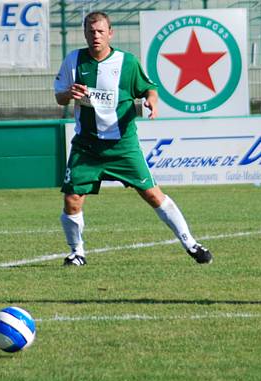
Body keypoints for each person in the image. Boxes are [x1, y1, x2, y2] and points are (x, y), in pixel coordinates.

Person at [53, 11, 212, 266]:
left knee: (152, 195)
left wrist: (151, 100)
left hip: (122, 145)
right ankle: (77, 252)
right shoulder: (73, 61)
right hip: (87, 146)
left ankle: (191, 243)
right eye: (91, 32)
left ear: (110, 33)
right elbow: (59, 96)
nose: (96, 36)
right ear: (84, 34)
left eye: (100, 31)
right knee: (72, 199)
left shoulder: (127, 63)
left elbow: (149, 87)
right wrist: (68, 93)